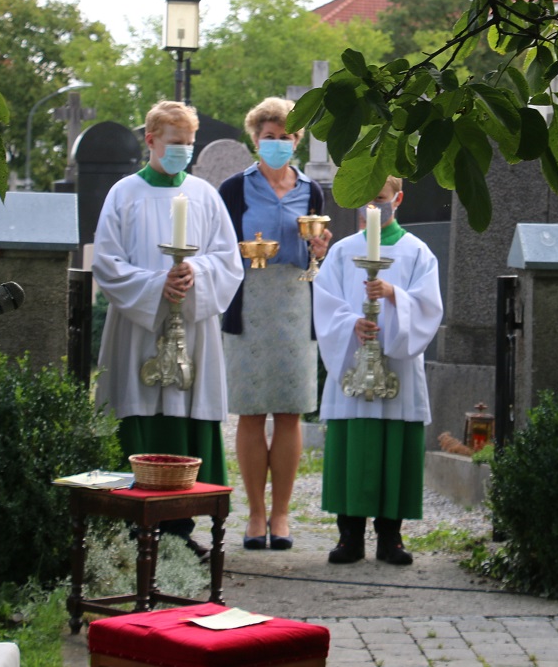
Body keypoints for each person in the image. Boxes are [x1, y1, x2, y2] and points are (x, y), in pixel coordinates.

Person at [94, 100, 243, 554]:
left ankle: (180, 530)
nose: (181, 151)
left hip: (192, 328)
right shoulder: (124, 193)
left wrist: (194, 276)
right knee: (138, 411)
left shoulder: (204, 194)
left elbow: (228, 261)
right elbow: (107, 261)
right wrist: (158, 284)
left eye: (187, 144)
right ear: (151, 140)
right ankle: (131, 526)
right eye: (173, 143)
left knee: (186, 413)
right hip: (138, 328)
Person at [217, 97, 332, 551]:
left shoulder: (312, 191)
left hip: (295, 301)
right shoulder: (234, 189)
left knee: (289, 410)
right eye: (270, 137)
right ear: (255, 139)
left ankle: (281, 515)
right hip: (248, 301)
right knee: (250, 410)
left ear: (298, 140)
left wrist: (319, 250)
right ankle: (255, 514)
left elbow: (315, 250)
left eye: (287, 137)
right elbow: (219, 248)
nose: (279, 144)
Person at [314, 177, 443, 566]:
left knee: (394, 448)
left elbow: (428, 308)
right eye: (366, 200)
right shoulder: (342, 252)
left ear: (398, 200)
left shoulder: (417, 252)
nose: (373, 207)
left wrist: (393, 296)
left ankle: (391, 537)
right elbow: (326, 303)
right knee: (352, 445)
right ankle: (349, 535)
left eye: (381, 199)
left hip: (398, 371)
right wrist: (350, 324)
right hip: (354, 362)